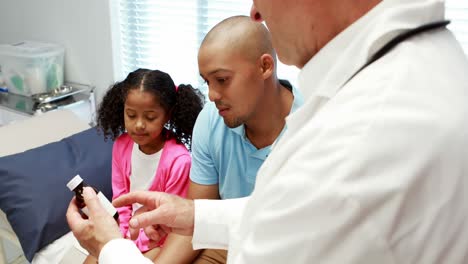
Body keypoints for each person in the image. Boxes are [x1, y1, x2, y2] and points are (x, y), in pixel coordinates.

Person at [67, 0, 468, 263]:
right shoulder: (421, 68)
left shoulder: (362, 135)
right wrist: (194, 213)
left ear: (264, 68)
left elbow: (308, 214)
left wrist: (109, 247)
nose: (257, 11)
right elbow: (301, 215)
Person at [152, 15, 303, 264]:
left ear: (265, 67)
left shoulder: (314, 123)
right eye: (207, 82)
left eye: (222, 80)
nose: (211, 95)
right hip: (231, 241)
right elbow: (197, 218)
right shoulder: (211, 121)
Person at [82, 68, 204, 263]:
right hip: (128, 231)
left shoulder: (179, 161)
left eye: (149, 117)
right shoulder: (121, 146)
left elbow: (170, 219)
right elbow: (121, 201)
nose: (139, 125)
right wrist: (121, 238)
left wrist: (135, 245)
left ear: (167, 115)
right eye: (131, 115)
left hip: (159, 239)